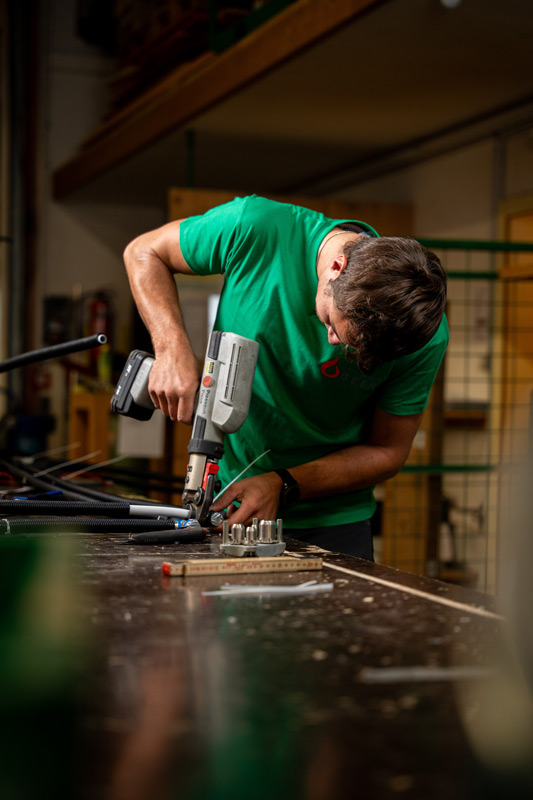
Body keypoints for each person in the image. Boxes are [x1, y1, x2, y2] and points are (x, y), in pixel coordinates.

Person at [123, 195, 448, 559]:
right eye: (334, 327)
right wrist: (171, 350)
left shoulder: (420, 335)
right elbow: (143, 252)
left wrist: (284, 484)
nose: (333, 345)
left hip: (334, 520)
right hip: (231, 504)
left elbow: (387, 451)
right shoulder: (256, 227)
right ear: (336, 267)